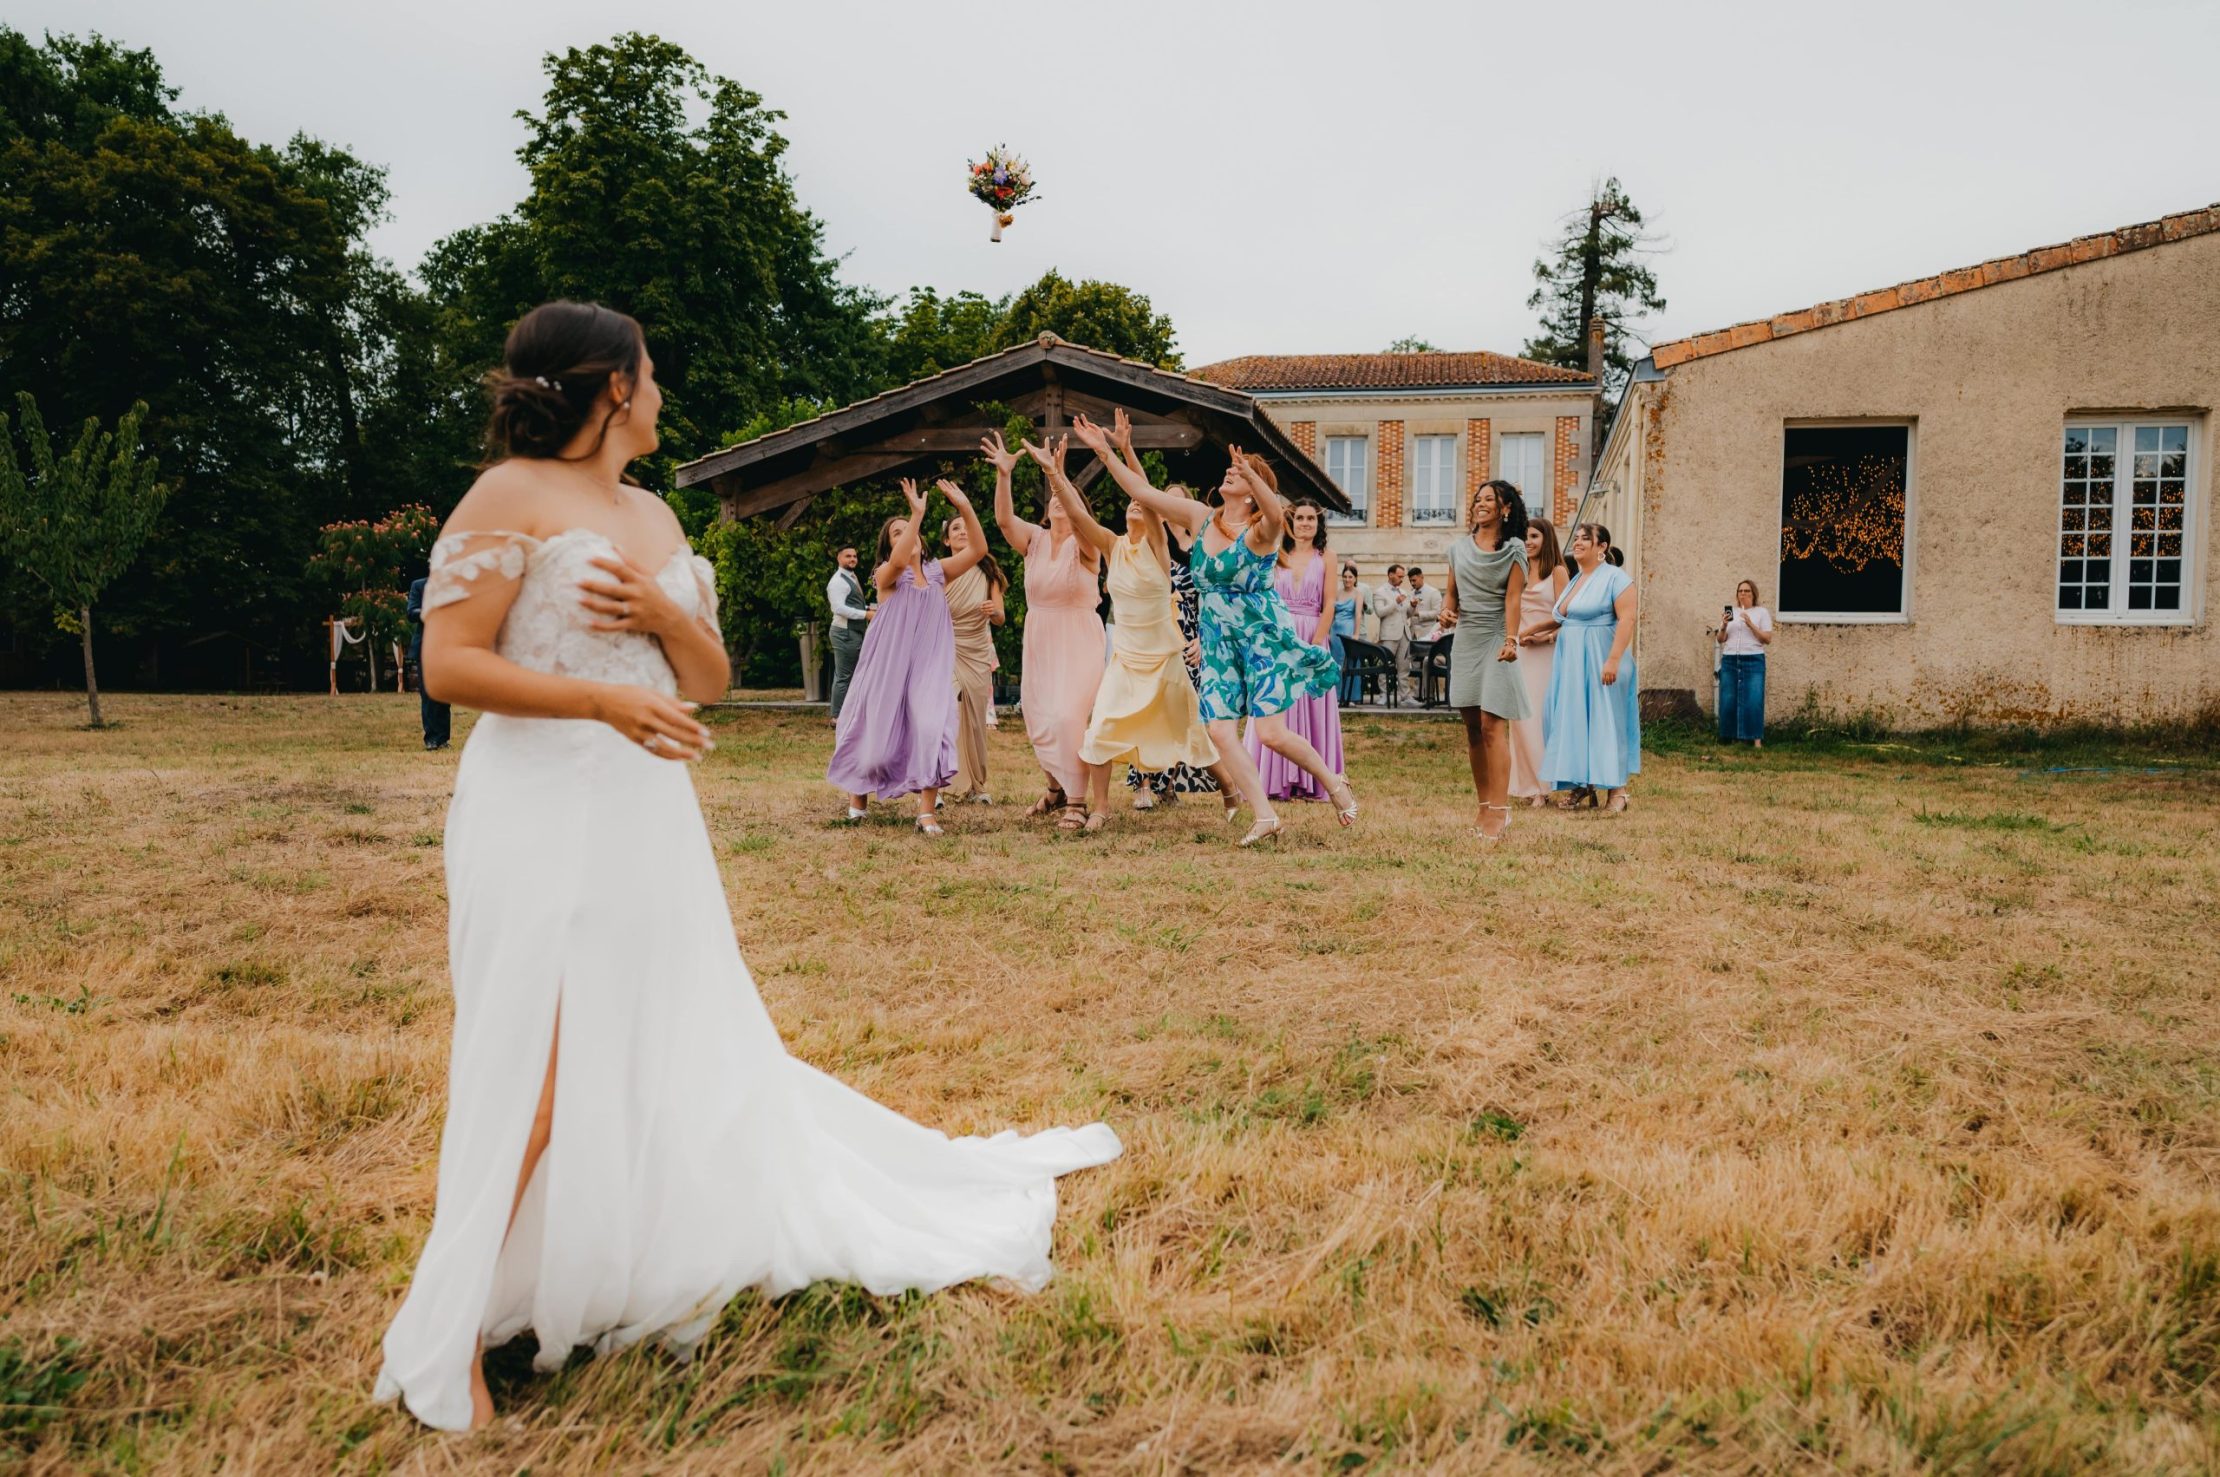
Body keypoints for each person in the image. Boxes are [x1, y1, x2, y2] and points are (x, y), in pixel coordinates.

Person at [375, 300, 1119, 1433]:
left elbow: (709, 677)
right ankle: (455, 1323)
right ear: (612, 387)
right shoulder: (507, 496)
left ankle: (602, 1255)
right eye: (650, 371)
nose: (661, 389)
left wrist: (657, 619)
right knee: (536, 1057)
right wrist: (600, 698)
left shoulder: (652, 514)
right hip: (539, 804)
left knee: (644, 1036)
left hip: (646, 812)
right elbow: (448, 662)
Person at [1094, 429, 1357, 846]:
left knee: (1270, 733)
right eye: (1232, 470)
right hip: (1217, 640)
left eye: (1242, 473)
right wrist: (1109, 452)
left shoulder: (1261, 532)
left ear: (1253, 491)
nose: (1230, 473)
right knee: (1218, 731)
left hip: (1261, 637)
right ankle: (1265, 816)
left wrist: (1252, 475)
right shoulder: (1201, 518)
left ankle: (1333, 781)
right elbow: (1143, 493)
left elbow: (1276, 515)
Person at [1045, 411, 1223, 830]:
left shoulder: (1158, 546)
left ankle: (1230, 787)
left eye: (1141, 504)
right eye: (1129, 503)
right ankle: (1101, 807)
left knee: (1191, 730)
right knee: (1101, 727)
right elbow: (1078, 516)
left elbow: (1143, 492)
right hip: (1126, 658)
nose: (1135, 504)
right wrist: (1056, 475)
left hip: (1164, 659)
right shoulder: (1112, 546)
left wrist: (1124, 450)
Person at [826, 479, 991, 834]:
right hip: (887, 666)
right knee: (874, 735)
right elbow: (900, 560)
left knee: (932, 727)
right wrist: (916, 515)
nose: (906, 534)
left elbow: (979, 549)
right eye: (897, 533)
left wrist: (965, 507)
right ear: (888, 545)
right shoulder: (885, 575)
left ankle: (926, 812)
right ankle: (858, 799)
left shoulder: (938, 572)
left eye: (910, 529)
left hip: (928, 666)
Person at [984, 430, 1105, 830]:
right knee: (1039, 717)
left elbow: (1078, 517)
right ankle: (1055, 790)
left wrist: (1056, 475)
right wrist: (1004, 475)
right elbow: (1003, 520)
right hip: (1040, 637)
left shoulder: (1087, 546)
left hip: (1078, 639)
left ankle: (1078, 801)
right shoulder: (1034, 540)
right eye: (1052, 496)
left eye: (1063, 497)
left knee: (1068, 717)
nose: (1056, 500)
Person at [1522, 522, 1640, 812]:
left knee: (1604, 722)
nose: (1577, 543)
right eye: (1576, 538)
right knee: (1570, 720)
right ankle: (1581, 784)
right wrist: (1531, 630)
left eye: (1585, 539)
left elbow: (1627, 619)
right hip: (1571, 664)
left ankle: (1618, 792)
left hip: (1601, 659)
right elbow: (1562, 617)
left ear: (1602, 547)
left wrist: (1613, 659)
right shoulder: (1577, 579)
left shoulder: (1616, 578)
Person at [1438, 481, 1530, 841]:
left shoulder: (1514, 549)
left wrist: (1511, 640)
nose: (1481, 504)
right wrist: (1446, 613)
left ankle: (1501, 810)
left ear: (1505, 508)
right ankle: (1484, 805)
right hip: (1467, 639)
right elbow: (1451, 595)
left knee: (1493, 724)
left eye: (1489, 499)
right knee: (1473, 728)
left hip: (1496, 636)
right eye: (1478, 499)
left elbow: (1513, 599)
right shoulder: (1458, 549)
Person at [1124, 516, 1226, 810]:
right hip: (1153, 638)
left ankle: (1167, 784)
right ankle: (1143, 785)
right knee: (1147, 711)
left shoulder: (1199, 555)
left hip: (1188, 641)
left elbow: (1213, 602)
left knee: (1182, 715)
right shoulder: (1144, 553)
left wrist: (1203, 640)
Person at [1245, 500, 1344, 802]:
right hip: (1280, 637)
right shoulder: (1276, 554)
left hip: (1313, 633)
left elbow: (1329, 602)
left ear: (1318, 523)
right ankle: (1274, 779)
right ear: (1290, 522)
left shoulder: (1327, 557)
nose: (1305, 523)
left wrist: (1317, 642)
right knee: (1278, 705)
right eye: (1300, 518)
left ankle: (1313, 782)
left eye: (1311, 518)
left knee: (1312, 704)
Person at [942, 515, 1007, 802]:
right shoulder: (940, 570)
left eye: (966, 527)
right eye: (955, 528)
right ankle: (939, 782)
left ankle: (976, 785)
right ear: (946, 540)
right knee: (947, 710)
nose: (962, 532)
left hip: (977, 650)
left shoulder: (988, 571)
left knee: (976, 719)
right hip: (947, 648)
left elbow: (1001, 618)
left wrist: (993, 610)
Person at [1508, 517, 1569, 804]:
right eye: (1524, 537)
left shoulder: (1557, 572)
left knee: (1538, 721)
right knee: (1519, 721)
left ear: (1546, 539)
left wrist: (1545, 638)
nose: (1528, 542)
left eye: (1534, 536)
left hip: (1546, 653)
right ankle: (1528, 785)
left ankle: (1543, 788)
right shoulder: (1518, 571)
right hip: (1520, 653)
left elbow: (1567, 617)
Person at [1715, 577, 1774, 747]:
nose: (1743, 594)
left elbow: (1767, 639)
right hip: (1731, 659)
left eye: (1747, 591)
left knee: (1754, 699)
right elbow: (1721, 639)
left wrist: (1750, 624)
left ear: (1753, 594)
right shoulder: (1731, 612)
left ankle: (1756, 739)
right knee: (1729, 698)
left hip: (1753, 659)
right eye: (1740, 591)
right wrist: (1724, 625)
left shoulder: (1761, 612)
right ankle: (1731, 737)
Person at [825, 546, 869, 724]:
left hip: (853, 632)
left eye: (855, 556)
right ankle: (836, 718)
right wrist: (866, 614)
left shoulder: (851, 577)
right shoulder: (837, 581)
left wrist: (869, 609)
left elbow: (853, 604)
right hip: (844, 633)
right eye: (848, 556)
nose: (852, 559)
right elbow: (839, 608)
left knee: (852, 675)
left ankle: (849, 715)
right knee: (843, 676)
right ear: (839, 558)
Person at [406, 573, 451, 750]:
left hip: (446, 645)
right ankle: (431, 738)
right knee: (428, 693)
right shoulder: (418, 585)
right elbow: (411, 612)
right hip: (425, 646)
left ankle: (443, 738)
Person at [1368, 564, 1413, 704]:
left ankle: (1405, 696)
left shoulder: (1404, 591)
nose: (1402, 579)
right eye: (1399, 576)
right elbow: (1380, 612)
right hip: (1389, 634)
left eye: (1403, 577)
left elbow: (1408, 614)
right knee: (1385, 665)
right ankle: (1384, 695)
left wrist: (1413, 606)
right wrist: (1396, 602)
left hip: (1405, 633)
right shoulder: (1380, 592)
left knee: (1404, 666)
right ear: (1390, 575)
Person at [1332, 562, 1364, 705]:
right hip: (1335, 630)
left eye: (1350, 577)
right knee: (1335, 662)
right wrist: (1328, 632)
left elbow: (1358, 615)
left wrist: (1356, 634)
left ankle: (1351, 696)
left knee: (1350, 663)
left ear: (1355, 578)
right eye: (1345, 577)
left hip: (1349, 629)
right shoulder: (1337, 593)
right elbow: (1331, 613)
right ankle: (1336, 696)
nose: (1347, 579)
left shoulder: (1358, 594)